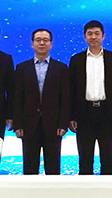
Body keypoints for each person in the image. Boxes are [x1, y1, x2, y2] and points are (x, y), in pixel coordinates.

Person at [68, 20, 112, 175]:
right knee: (85, 160)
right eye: (90, 34)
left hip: (107, 113)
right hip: (84, 113)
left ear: (103, 36)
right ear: (84, 37)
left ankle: (108, 190)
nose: (93, 37)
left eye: (97, 33)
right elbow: (71, 90)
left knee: (108, 159)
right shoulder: (76, 59)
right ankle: (85, 190)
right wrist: (71, 116)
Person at [14, 28, 70, 175]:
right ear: (32, 43)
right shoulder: (21, 68)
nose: (42, 43)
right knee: (29, 169)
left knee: (53, 169)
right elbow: (17, 98)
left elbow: (65, 99)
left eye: (45, 40)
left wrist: (63, 124)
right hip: (28, 125)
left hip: (53, 126)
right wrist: (18, 124)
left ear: (51, 44)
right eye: (38, 40)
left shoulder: (61, 68)